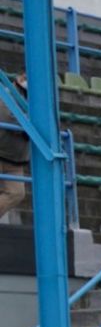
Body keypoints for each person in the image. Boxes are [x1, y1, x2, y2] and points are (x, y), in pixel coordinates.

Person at [0, 71, 28, 223]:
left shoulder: (38, 98)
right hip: (2, 150)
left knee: (17, 193)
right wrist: (27, 129)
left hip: (16, 158)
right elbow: (6, 117)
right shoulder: (8, 92)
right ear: (21, 77)